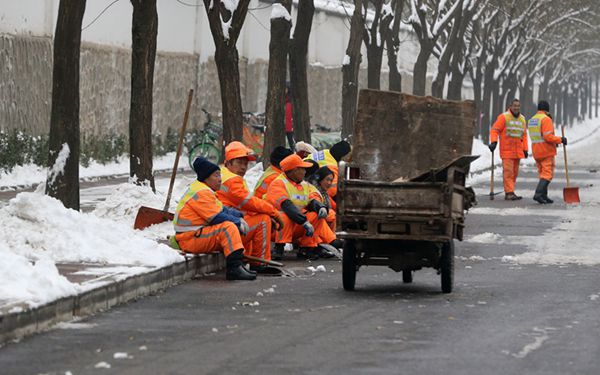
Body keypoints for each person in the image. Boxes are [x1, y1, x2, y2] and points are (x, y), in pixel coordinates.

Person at [172, 157, 256, 281]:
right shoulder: (201, 192)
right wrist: (238, 222)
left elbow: (222, 209)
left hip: (195, 235)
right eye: (216, 176)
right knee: (228, 228)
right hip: (189, 238)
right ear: (206, 177)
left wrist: (239, 215)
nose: (220, 179)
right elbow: (216, 217)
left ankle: (239, 266)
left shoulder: (204, 189)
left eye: (220, 175)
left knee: (230, 225)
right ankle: (234, 269)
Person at [216, 141, 285, 273]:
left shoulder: (224, 175)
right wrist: (274, 212)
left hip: (224, 226)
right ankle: (259, 262)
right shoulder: (232, 180)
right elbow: (249, 202)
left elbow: (244, 206)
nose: (243, 167)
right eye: (239, 163)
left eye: (245, 164)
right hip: (227, 229)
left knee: (255, 218)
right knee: (263, 220)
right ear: (228, 163)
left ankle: (250, 257)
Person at [266, 154, 336, 260]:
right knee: (284, 216)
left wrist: (320, 207)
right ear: (294, 170)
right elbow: (287, 206)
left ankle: (307, 248)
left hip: (297, 224)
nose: (305, 172)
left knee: (315, 215)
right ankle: (279, 247)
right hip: (275, 228)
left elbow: (313, 198)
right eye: (302, 169)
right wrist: (304, 222)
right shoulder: (278, 184)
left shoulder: (304, 185)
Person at [527, 100, 567, 204]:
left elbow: (539, 136)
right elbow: (547, 136)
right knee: (547, 174)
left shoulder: (532, 120)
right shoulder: (546, 119)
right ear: (547, 110)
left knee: (542, 173)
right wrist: (560, 140)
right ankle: (538, 194)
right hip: (546, 151)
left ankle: (544, 196)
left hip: (536, 151)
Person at [489, 99, 529, 200]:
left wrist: (525, 149)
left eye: (518, 106)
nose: (516, 108)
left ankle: (511, 191)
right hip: (507, 150)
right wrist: (494, 142)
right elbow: (495, 130)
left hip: (518, 151)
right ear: (510, 106)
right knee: (508, 172)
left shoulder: (522, 119)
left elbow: (524, 135)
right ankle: (509, 193)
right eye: (515, 106)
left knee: (514, 173)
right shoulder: (504, 117)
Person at [285, 82, 295, 150]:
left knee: (291, 143)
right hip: (286, 125)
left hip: (289, 126)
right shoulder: (285, 100)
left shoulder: (290, 101)